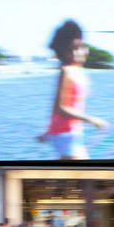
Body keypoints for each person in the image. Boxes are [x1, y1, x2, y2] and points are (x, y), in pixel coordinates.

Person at [37, 19, 107, 160]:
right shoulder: (66, 71)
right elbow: (60, 107)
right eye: (74, 48)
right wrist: (91, 119)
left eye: (81, 46)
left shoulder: (78, 71)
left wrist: (48, 132)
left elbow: (58, 104)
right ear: (65, 52)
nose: (82, 51)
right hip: (65, 135)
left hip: (71, 133)